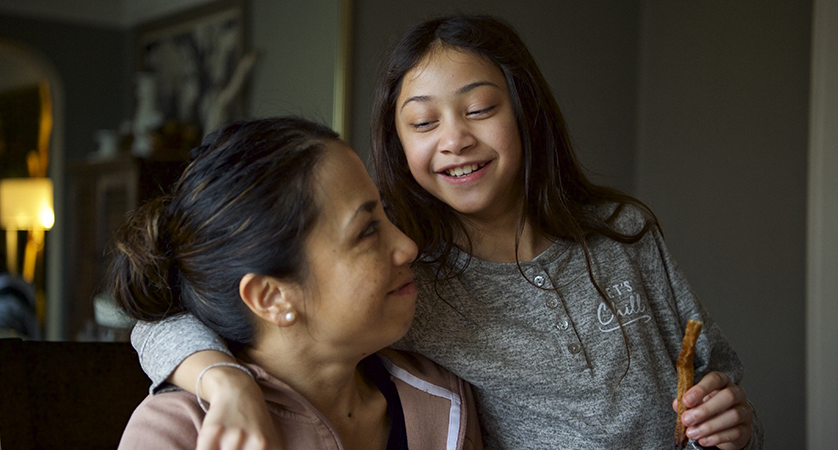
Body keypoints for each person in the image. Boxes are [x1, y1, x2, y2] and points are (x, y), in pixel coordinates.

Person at [131, 14, 764, 450]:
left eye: (481, 109)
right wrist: (223, 378)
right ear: (397, 141)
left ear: (525, 113)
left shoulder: (624, 232)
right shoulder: (408, 279)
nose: (456, 138)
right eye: (423, 122)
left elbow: (717, 376)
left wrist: (733, 420)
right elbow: (175, 310)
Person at [111, 117, 482, 450]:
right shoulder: (177, 433)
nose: (408, 247)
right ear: (271, 297)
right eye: (367, 231)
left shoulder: (443, 402)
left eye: (385, 216)